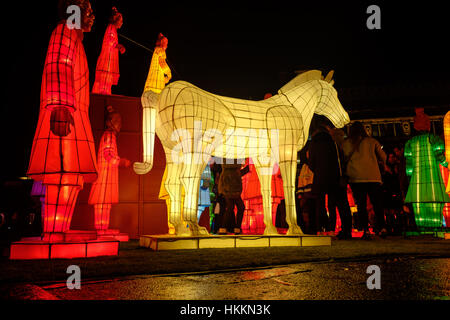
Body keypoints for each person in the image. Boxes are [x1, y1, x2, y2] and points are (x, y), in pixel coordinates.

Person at [27, 0, 97, 241]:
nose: (92, 16)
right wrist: (60, 105)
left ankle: (61, 229)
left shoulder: (75, 39)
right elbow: (57, 65)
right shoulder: (64, 31)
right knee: (61, 174)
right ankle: (54, 231)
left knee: (72, 178)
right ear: (74, 12)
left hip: (75, 117)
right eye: (87, 12)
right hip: (64, 117)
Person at [404, 108, 449, 231]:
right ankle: (435, 227)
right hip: (433, 179)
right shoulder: (434, 139)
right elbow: (440, 157)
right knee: (434, 202)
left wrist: (409, 179)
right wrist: (448, 165)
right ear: (428, 125)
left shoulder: (410, 143)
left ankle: (422, 227)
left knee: (419, 206)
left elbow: (409, 167)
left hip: (416, 183)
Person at [308, 116, 353, 238]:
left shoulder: (313, 143)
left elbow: (311, 163)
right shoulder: (333, 142)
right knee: (334, 204)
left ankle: (321, 229)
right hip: (334, 177)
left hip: (320, 177)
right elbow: (339, 159)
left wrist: (317, 170)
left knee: (320, 204)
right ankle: (334, 228)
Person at [343, 121, 387, 239]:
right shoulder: (372, 141)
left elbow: (343, 158)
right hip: (373, 177)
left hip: (356, 178)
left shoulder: (346, 143)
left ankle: (365, 230)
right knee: (377, 204)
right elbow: (384, 157)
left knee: (361, 205)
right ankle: (381, 227)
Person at [88, 106, 130, 231]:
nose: (119, 125)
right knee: (103, 203)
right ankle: (101, 228)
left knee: (104, 203)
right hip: (105, 177)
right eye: (116, 121)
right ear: (109, 122)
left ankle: (102, 228)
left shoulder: (108, 135)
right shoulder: (109, 136)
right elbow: (108, 154)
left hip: (106, 176)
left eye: (120, 121)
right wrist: (121, 162)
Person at [92, 7, 125, 95]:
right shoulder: (111, 28)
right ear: (116, 20)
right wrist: (118, 45)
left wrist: (118, 46)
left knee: (107, 77)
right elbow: (109, 40)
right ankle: (103, 92)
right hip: (107, 60)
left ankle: (106, 91)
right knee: (105, 75)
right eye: (121, 20)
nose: (122, 23)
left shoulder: (113, 29)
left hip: (110, 61)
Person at [218, 160, 249, 234]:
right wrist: (247, 169)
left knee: (231, 207)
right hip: (233, 188)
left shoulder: (227, 167)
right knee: (239, 207)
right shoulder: (233, 165)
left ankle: (224, 228)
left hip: (228, 188)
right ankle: (234, 228)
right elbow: (236, 174)